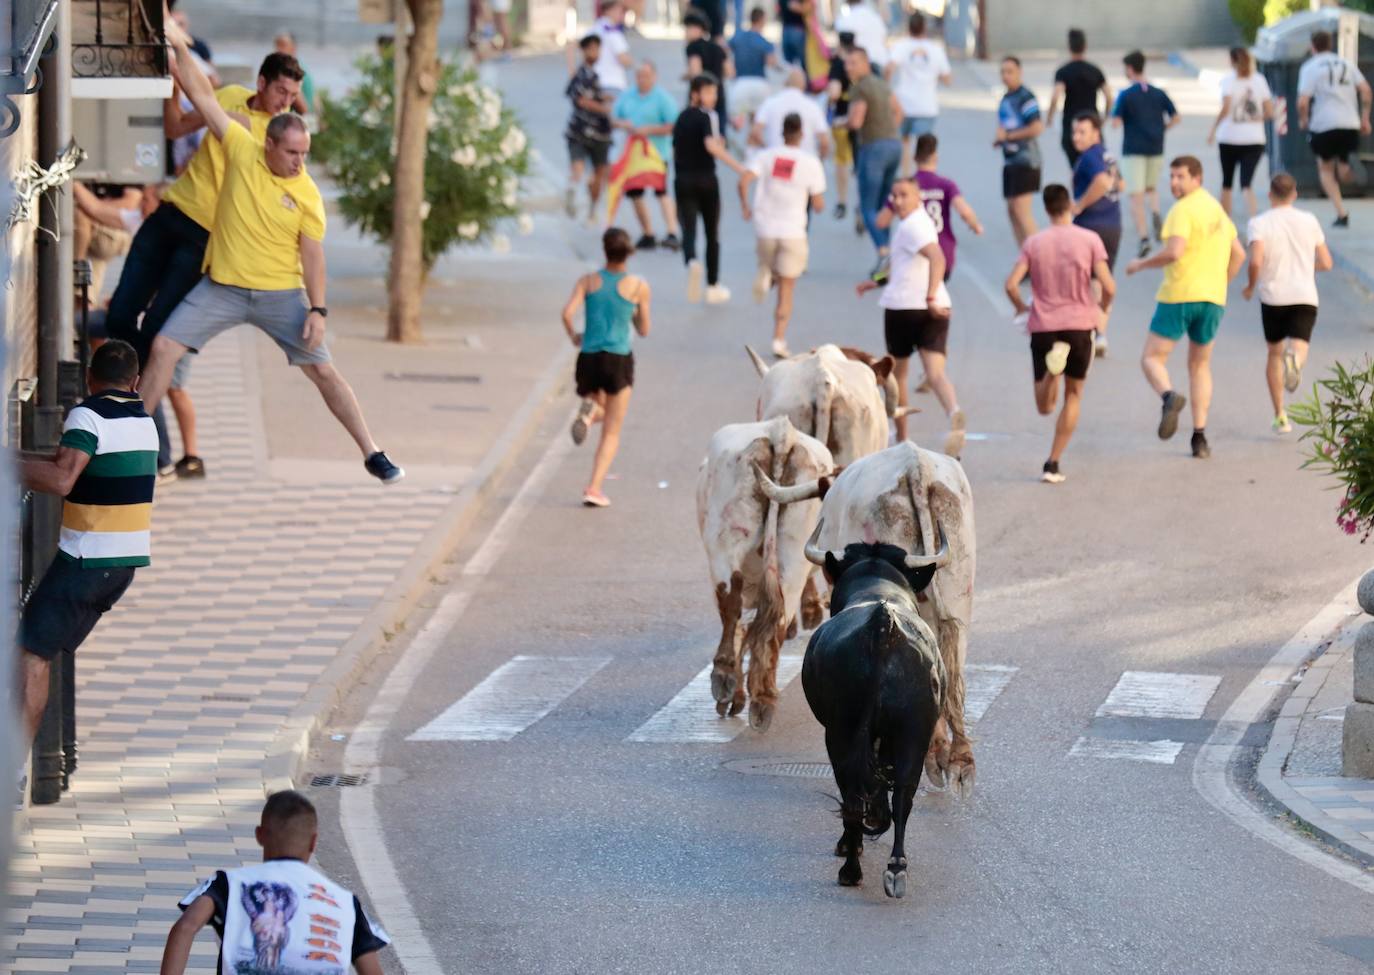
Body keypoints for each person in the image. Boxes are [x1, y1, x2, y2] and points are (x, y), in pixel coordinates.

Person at [149, 22, 403, 484]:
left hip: (280, 296)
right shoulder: (243, 147)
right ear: (269, 144)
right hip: (222, 288)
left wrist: (319, 310)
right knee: (163, 346)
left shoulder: (307, 194)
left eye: (303, 154)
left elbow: (314, 257)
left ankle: (373, 452)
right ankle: (128, 441)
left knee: (324, 372)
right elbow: (203, 94)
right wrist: (178, 46)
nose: (298, 163)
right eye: (291, 153)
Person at [114, 49, 304, 483]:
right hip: (169, 216)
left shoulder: (274, 141)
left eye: (293, 96)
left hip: (202, 241)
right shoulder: (232, 96)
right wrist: (173, 88)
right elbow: (176, 126)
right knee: (122, 315)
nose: (286, 102)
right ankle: (147, 431)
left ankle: (150, 445)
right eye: (281, 91)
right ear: (261, 83)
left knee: (158, 335)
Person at [13, 341, 157, 748]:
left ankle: (14, 768)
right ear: (136, 382)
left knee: (31, 656)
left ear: (90, 378)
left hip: (86, 559)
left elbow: (62, 478)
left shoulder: (88, 414)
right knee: (33, 654)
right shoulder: (143, 422)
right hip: (119, 566)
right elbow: (72, 461)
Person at [165, 791, 391, 974]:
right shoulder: (346, 903)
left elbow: (185, 927)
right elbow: (370, 968)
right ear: (313, 843)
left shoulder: (230, 884)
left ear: (259, 835)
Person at [1126, 155, 1245, 460]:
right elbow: (1239, 255)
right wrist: (1221, 284)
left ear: (1197, 178)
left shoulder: (1182, 210)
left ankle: (1168, 397)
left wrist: (1141, 263)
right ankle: (1200, 438)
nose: (1175, 182)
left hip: (1178, 295)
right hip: (1212, 299)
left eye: (1181, 176)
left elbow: (1175, 251)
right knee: (1200, 366)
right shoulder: (1216, 209)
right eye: (1172, 176)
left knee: (1152, 358)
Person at [1004, 184, 1115, 484]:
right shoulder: (1089, 239)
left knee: (1044, 407)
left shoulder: (1034, 242)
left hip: (1044, 326)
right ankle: (1052, 463)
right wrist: (1102, 309)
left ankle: (1053, 372)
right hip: (1080, 325)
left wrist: (1020, 309)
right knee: (1074, 395)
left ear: (1046, 208)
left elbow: (1012, 284)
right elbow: (1109, 285)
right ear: (1069, 206)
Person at [855, 178, 963, 454]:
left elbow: (937, 258)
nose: (897, 201)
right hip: (935, 309)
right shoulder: (921, 222)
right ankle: (955, 414)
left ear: (919, 197)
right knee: (936, 374)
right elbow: (899, 264)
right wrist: (876, 280)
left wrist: (929, 295)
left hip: (905, 308)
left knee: (899, 376)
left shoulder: (912, 226)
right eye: (894, 196)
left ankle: (902, 439)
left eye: (904, 195)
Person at [561, 228, 653, 508]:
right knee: (612, 429)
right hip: (618, 359)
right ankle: (594, 487)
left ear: (605, 250)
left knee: (597, 405)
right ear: (629, 254)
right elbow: (645, 329)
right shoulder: (638, 287)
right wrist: (634, 313)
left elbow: (566, 313)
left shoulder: (587, 281)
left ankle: (588, 416)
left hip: (589, 357)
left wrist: (575, 336)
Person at [1243, 173, 1333, 434]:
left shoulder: (1259, 223)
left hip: (1273, 296)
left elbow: (1256, 261)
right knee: (1299, 345)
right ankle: (1295, 359)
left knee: (1273, 353)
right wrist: (1307, 267)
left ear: (1270, 194)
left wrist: (1250, 286)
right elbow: (1327, 263)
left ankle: (1280, 415)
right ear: (1294, 194)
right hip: (1304, 294)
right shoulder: (1309, 220)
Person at [740, 112, 826, 358]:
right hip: (793, 231)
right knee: (787, 287)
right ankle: (778, 338)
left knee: (769, 265)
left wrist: (746, 206)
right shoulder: (810, 162)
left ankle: (767, 275)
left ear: (781, 132)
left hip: (765, 228)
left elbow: (744, 180)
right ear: (802, 134)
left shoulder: (766, 156)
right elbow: (818, 204)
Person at [674, 73, 747, 303]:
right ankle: (713, 285)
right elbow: (711, 145)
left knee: (688, 227)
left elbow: (677, 148)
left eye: (715, 92)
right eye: (708, 92)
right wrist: (739, 167)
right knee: (712, 233)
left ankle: (692, 260)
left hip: (683, 179)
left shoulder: (681, 117)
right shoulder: (709, 116)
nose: (713, 97)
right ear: (695, 94)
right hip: (706, 179)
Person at [1298, 29, 1372, 228]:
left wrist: (1304, 120)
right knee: (1342, 163)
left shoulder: (1310, 67)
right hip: (1350, 123)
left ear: (1313, 46)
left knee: (1325, 169)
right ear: (1330, 44)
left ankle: (1341, 213)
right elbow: (1365, 90)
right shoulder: (1347, 64)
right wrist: (1365, 118)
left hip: (1324, 124)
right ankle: (1347, 167)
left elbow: (1303, 102)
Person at [1112, 50, 1179, 258]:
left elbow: (1115, 122)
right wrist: (1162, 129)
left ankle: (1143, 238)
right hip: (1156, 146)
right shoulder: (1158, 92)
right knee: (1151, 188)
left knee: (1135, 195)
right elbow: (1176, 117)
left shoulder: (1125, 94)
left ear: (1130, 69)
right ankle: (1157, 213)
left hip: (1133, 149)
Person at [613, 61, 682, 249]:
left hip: (657, 152)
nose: (642, 80)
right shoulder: (628, 96)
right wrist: (623, 124)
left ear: (654, 76)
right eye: (639, 76)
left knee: (662, 191)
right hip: (634, 153)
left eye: (646, 75)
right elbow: (614, 118)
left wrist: (650, 130)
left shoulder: (662, 98)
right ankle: (648, 232)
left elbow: (673, 125)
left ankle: (672, 231)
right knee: (635, 193)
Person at [1068, 112, 1121, 357]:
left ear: (1095, 133)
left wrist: (1080, 205)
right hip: (1112, 224)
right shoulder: (1106, 155)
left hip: (1091, 225)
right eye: (1074, 132)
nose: (1076, 137)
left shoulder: (1090, 157)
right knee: (1101, 279)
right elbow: (1120, 184)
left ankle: (1085, 330)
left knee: (1085, 280)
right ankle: (1100, 333)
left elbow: (1101, 181)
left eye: (1082, 132)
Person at [847, 46, 903, 263]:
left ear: (865, 63)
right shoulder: (881, 84)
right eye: (847, 63)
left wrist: (843, 122)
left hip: (873, 148)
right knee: (883, 206)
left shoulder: (861, 88)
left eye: (853, 63)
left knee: (868, 206)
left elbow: (856, 121)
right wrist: (889, 129)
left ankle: (883, 250)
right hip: (893, 145)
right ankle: (887, 254)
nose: (848, 68)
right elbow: (899, 112)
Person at [1207, 46, 1273, 221]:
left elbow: (1226, 107)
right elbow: (1270, 111)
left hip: (1229, 137)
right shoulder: (1260, 80)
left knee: (1227, 182)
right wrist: (1255, 118)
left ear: (1232, 61)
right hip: (1254, 139)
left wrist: (1213, 129)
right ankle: (1253, 220)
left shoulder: (1228, 81)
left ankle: (1224, 223)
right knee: (1246, 184)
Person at [885, 12, 951, 175]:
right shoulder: (936, 49)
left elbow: (889, 68)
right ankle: (922, 181)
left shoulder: (901, 46)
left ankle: (905, 177)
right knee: (923, 147)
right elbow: (947, 79)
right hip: (926, 106)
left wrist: (886, 88)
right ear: (925, 28)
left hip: (903, 104)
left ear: (909, 27)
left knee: (904, 143)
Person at [912, 133, 982, 280]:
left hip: (915, 256)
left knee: (916, 288)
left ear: (914, 158)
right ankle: (933, 298)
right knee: (937, 292)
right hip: (944, 254)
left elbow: (882, 221)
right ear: (936, 157)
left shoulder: (907, 187)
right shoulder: (946, 184)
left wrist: (876, 280)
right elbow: (964, 211)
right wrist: (975, 225)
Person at [566, 34, 615, 224]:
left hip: (596, 133)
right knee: (584, 170)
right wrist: (604, 107)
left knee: (596, 173)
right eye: (592, 49)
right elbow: (582, 99)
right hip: (585, 131)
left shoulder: (590, 75)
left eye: (597, 49)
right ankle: (579, 198)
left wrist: (604, 97)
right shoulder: (584, 74)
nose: (596, 53)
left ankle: (590, 207)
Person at [996, 55, 1044, 245]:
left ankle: (1040, 255)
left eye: (1010, 72)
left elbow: (1036, 127)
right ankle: (1026, 256)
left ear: (1019, 73)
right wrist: (1001, 139)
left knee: (1022, 210)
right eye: (1003, 72)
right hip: (1010, 160)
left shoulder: (1025, 97)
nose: (1006, 76)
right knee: (1012, 210)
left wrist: (1008, 136)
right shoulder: (1006, 98)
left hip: (1026, 160)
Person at [1046, 28, 1110, 168]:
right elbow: (1109, 96)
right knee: (1096, 166)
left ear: (1069, 47)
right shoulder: (1095, 70)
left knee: (1077, 168)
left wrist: (1050, 117)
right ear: (1085, 46)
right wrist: (1105, 116)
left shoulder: (1063, 71)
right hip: (1092, 125)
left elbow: (1056, 96)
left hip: (1072, 126)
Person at [752, 68, 831, 157]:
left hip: (776, 159)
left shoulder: (770, 103)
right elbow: (824, 142)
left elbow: (755, 132)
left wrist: (768, 150)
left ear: (785, 83)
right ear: (804, 85)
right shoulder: (813, 106)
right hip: (804, 161)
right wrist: (817, 161)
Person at [826, 31, 857, 219]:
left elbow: (834, 93)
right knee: (859, 162)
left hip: (841, 119)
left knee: (841, 160)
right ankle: (861, 203)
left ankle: (842, 200)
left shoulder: (838, 65)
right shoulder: (861, 61)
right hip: (860, 118)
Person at [684, 11, 731, 134]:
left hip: (702, 97)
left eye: (688, 28)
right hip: (718, 94)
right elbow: (730, 71)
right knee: (718, 133)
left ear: (698, 28)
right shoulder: (717, 47)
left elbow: (696, 72)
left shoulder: (693, 47)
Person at [730, 7, 778, 125]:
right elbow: (771, 62)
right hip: (759, 83)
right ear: (762, 20)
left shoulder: (738, 37)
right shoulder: (764, 42)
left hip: (740, 83)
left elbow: (725, 50)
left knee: (738, 122)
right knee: (757, 122)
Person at [589, 0, 633, 95]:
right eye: (621, 11)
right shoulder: (613, 32)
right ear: (609, 11)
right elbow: (623, 59)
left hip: (595, 82)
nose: (623, 14)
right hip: (613, 83)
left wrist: (573, 72)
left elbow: (573, 45)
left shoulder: (594, 29)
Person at [836, 0, 889, 71]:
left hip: (863, 68)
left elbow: (843, 50)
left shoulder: (844, 20)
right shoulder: (876, 17)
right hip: (882, 63)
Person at [272, 31, 316, 113]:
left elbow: (304, 109)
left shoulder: (290, 70)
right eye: (277, 45)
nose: (278, 49)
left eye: (283, 45)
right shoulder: (298, 65)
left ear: (293, 48)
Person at [779, 0, 812, 70]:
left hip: (790, 29)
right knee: (801, 62)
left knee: (791, 63)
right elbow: (799, 7)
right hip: (794, 29)